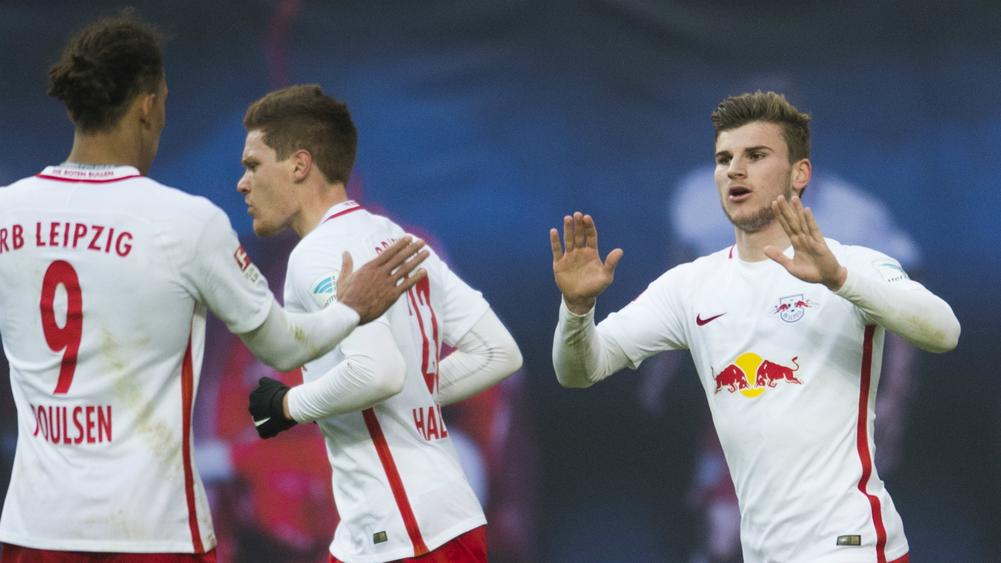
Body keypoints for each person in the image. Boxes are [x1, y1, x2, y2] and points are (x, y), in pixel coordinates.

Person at [0, 12, 428, 562]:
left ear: (72, 107)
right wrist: (349, 309)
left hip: (36, 531)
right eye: (165, 100)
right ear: (148, 105)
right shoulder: (187, 223)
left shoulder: (8, 212)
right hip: (153, 535)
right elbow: (285, 347)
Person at [550, 91, 960, 562]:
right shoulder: (690, 286)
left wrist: (841, 280)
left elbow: (944, 332)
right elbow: (579, 370)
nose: (735, 170)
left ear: (800, 173)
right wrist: (576, 311)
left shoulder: (853, 263)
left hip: (851, 548)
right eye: (724, 159)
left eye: (756, 155)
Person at [237, 84, 522, 563]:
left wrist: (286, 406)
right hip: (423, 523)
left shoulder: (317, 254)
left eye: (253, 165)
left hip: (405, 535)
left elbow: (378, 373)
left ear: (300, 165)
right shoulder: (398, 239)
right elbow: (498, 353)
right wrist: (411, 396)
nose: (242, 184)